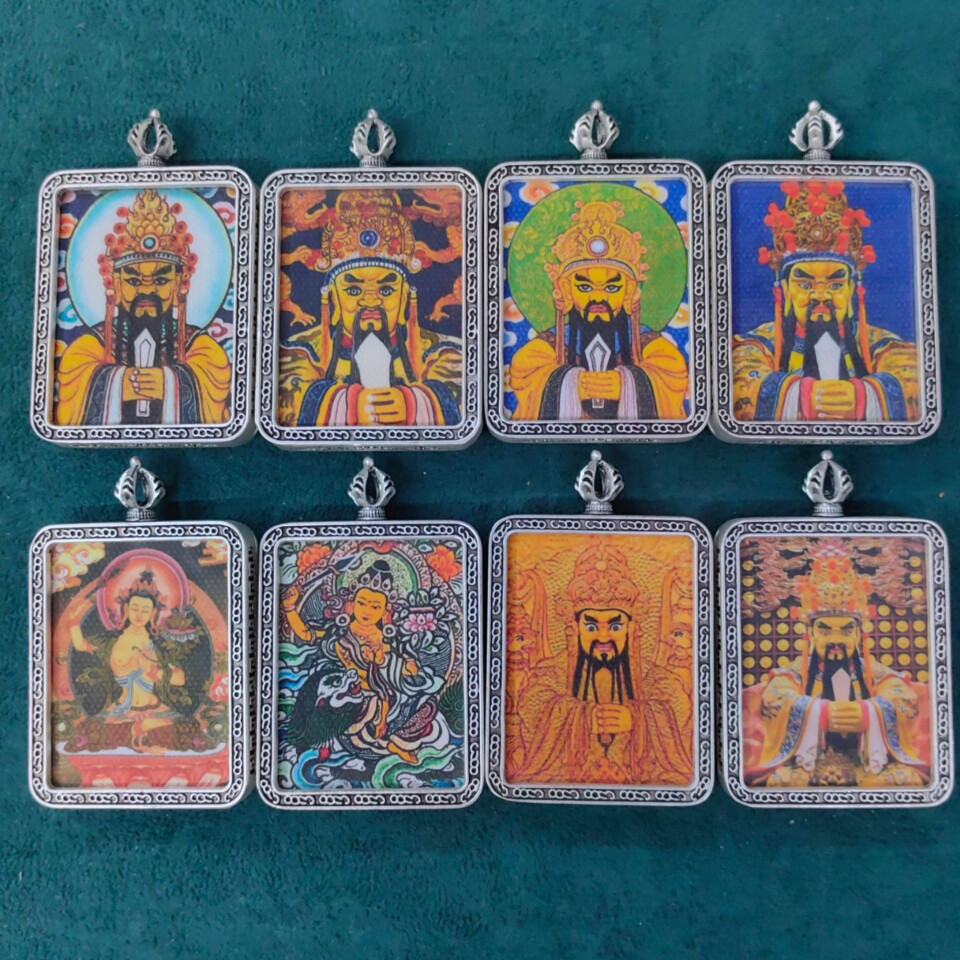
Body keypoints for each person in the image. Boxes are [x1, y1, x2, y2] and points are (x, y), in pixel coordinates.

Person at [743, 539, 930, 787]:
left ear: (859, 634)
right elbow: (777, 698)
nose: (835, 639)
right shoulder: (794, 673)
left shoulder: (874, 672)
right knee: (782, 783)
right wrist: (819, 713)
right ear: (810, 634)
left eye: (846, 630)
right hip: (808, 766)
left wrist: (869, 713)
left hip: (866, 765)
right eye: (825, 630)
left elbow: (902, 697)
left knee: (904, 781)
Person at [507, 544, 693, 786]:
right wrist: (581, 718)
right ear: (575, 628)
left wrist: (638, 718)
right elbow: (531, 706)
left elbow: (679, 707)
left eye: (615, 626)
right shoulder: (552, 672)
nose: (603, 637)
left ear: (631, 629)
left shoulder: (653, 675)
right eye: (591, 626)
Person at [733, 180, 918, 422]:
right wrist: (801, 397)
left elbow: (912, 378)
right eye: (805, 284)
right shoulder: (757, 344)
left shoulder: (882, 345)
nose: (821, 296)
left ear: (851, 288)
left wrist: (864, 397)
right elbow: (741, 378)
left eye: (835, 284)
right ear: (785, 289)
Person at [280, 190, 460, 426]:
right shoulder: (298, 355)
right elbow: (291, 403)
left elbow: (460, 396)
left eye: (386, 290)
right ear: (333, 299)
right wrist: (348, 406)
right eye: (354, 290)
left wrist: (414, 404)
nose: (371, 301)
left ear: (405, 298)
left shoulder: (442, 354)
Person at [56, 189, 231, 425]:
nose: (147, 290)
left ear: (178, 283)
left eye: (161, 280)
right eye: (133, 280)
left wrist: (169, 384)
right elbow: (73, 380)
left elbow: (215, 376)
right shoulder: (89, 347)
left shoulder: (201, 347)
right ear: (116, 283)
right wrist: (119, 383)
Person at [509, 200, 687, 421]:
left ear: (630, 291)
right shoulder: (554, 342)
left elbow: (673, 373)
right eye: (584, 287)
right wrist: (572, 384)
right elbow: (524, 371)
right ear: (566, 290)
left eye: (612, 288)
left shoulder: (643, 340)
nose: (598, 297)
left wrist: (627, 385)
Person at [69, 571, 189, 752]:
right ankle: (138, 732)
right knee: (92, 732)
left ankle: (141, 731)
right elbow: (79, 645)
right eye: (135, 608)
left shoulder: (159, 645)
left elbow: (180, 679)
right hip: (120, 712)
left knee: (185, 731)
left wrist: (153, 671)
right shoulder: (110, 642)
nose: (139, 614)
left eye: (145, 610)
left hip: (156, 711)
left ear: (153, 613)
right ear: (126, 609)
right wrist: (76, 613)